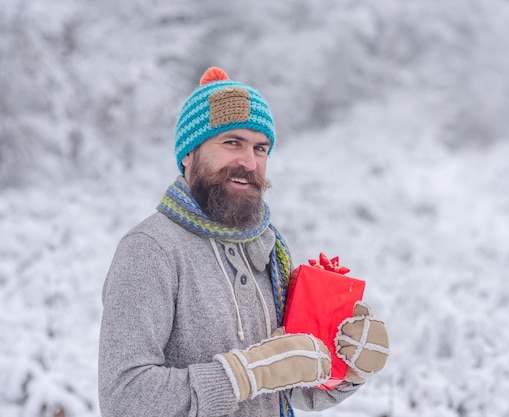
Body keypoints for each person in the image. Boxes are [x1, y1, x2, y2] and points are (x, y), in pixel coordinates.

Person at [98, 66, 389, 417]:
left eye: (260, 148)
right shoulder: (150, 249)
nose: (248, 162)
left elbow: (291, 390)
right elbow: (124, 399)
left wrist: (347, 366)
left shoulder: (265, 249)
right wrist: (246, 373)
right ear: (189, 152)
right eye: (232, 142)